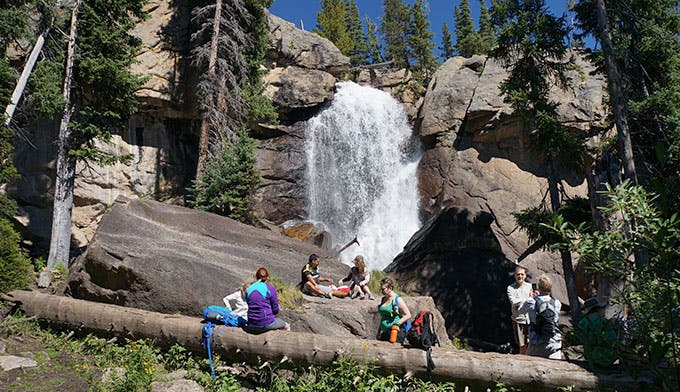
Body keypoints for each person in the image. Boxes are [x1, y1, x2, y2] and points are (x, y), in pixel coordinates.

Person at [519, 275, 562, 359]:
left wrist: (530, 297)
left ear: (539, 288)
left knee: (529, 365)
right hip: (554, 342)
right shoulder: (557, 303)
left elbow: (521, 310)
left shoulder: (531, 301)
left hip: (536, 343)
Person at [244, 267, 290, 333]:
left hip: (251, 322)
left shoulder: (249, 289)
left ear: (256, 277)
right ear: (268, 277)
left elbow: (249, 304)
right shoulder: (270, 288)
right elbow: (275, 308)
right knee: (286, 326)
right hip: (265, 322)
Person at [577, 297, 618, 369]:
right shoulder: (602, 322)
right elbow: (612, 340)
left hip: (589, 357)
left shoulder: (582, 323)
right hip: (604, 358)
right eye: (602, 308)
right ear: (597, 309)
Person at [507, 265, 533, 354]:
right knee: (522, 345)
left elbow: (532, 301)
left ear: (525, 275)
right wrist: (527, 299)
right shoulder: (510, 288)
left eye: (522, 274)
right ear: (515, 275)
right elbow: (514, 302)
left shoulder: (529, 286)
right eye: (518, 274)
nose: (520, 276)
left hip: (530, 319)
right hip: (519, 320)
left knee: (532, 343)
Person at [377, 277, 411, 343]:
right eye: (381, 289)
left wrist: (397, 324)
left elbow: (408, 315)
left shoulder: (397, 299)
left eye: (383, 289)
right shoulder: (383, 299)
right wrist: (378, 332)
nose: (381, 291)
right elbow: (383, 316)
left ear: (390, 288)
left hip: (395, 332)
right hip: (385, 332)